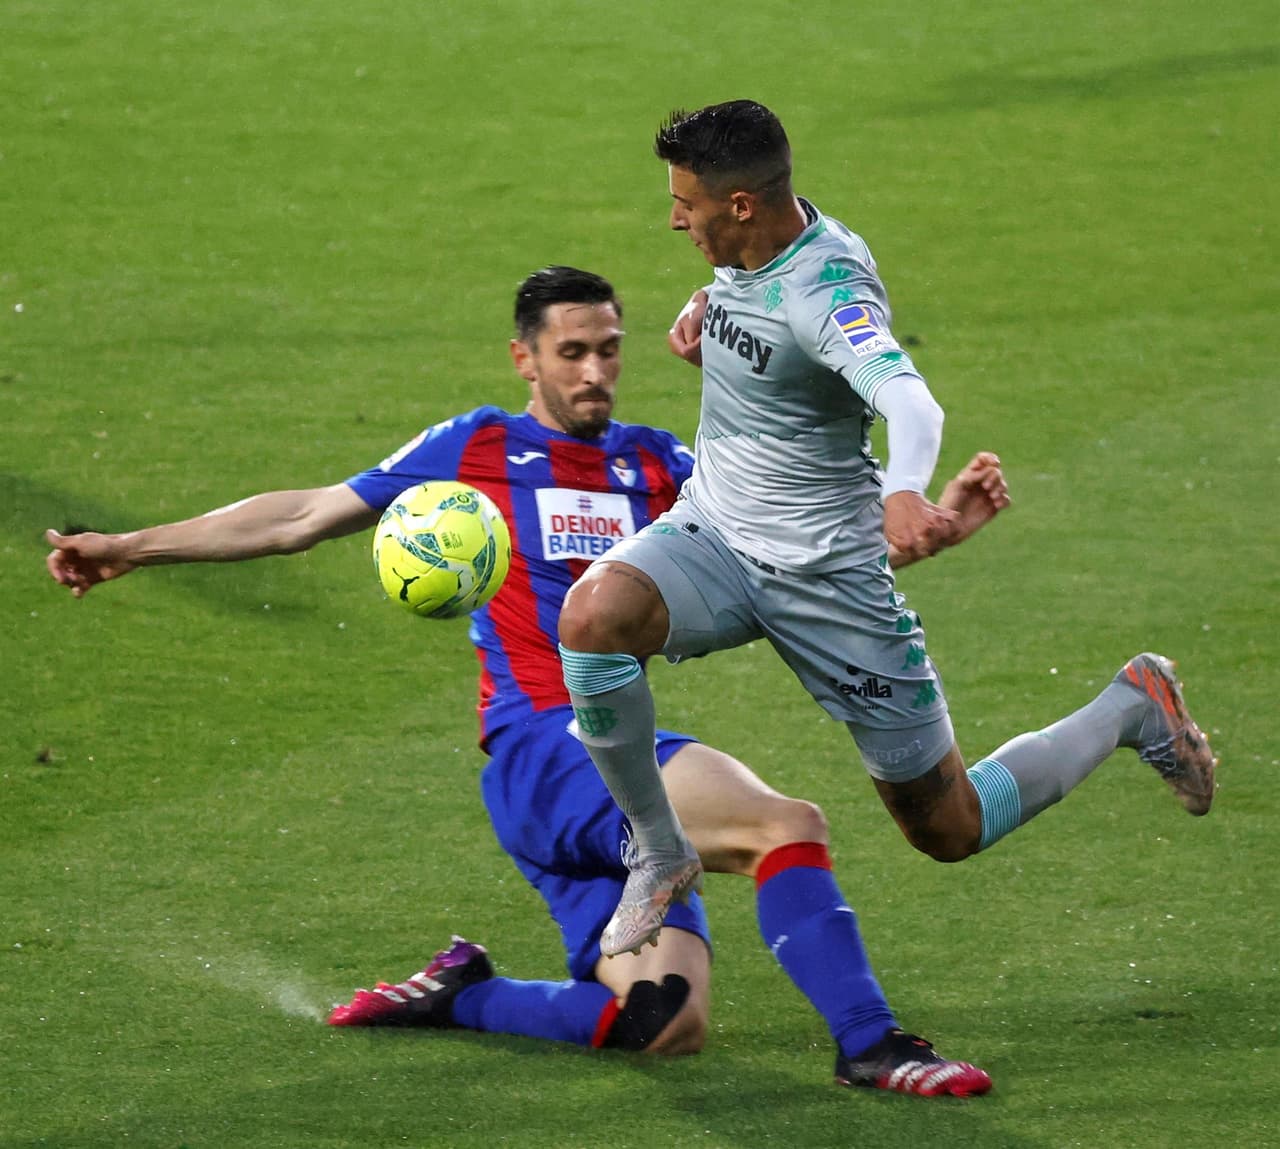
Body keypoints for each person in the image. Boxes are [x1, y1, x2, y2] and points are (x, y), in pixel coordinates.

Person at [46, 266, 1007, 1097]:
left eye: (610, 349)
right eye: (572, 351)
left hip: (610, 772)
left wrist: (928, 528)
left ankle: (465, 993)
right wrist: (133, 545)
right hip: (546, 751)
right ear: (526, 359)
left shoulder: (659, 465)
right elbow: (301, 514)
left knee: (664, 1024)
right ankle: (874, 1046)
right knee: (782, 824)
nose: (594, 371)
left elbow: (789, 567)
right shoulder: (474, 449)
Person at [556, 100, 1218, 959]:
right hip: (716, 536)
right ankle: (660, 846)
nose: (676, 217)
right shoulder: (753, 250)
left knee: (948, 826)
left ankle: (1133, 705)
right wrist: (712, 338)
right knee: (592, 619)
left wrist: (905, 493)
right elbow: (759, 328)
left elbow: (910, 398)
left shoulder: (826, 293)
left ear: (743, 204)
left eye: (688, 203)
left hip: (829, 581)